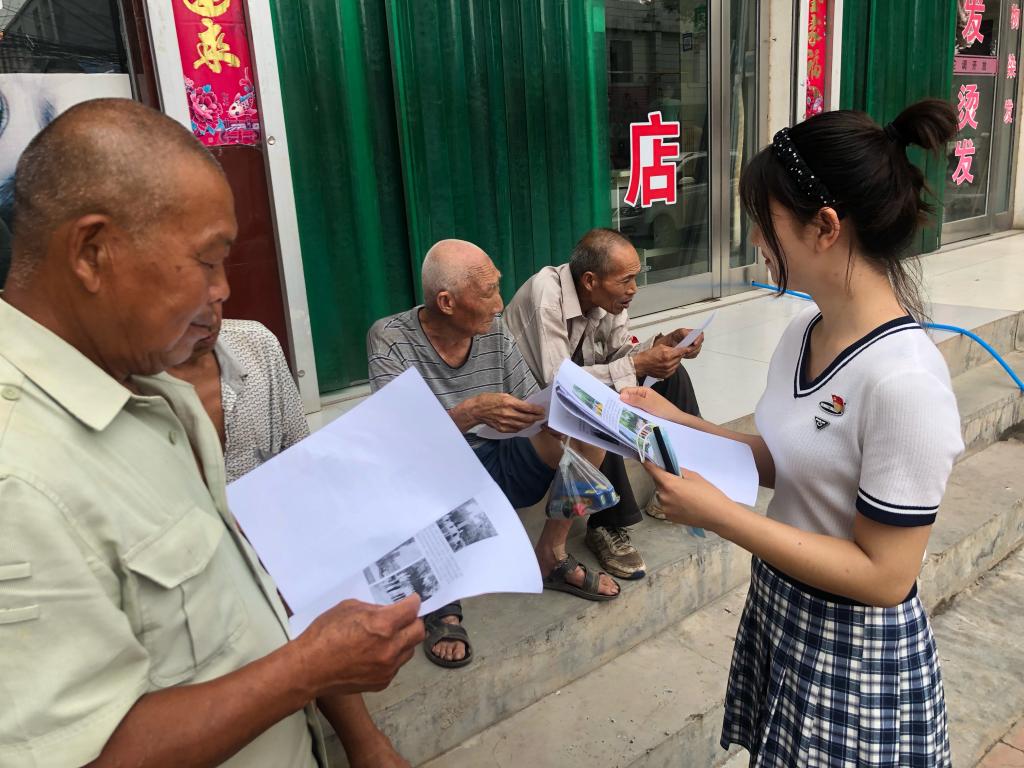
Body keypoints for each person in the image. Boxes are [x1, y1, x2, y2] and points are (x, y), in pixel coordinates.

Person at [0, 98, 423, 768]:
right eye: (208, 260)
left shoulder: (152, 393)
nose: (223, 289)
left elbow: (245, 595)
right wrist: (309, 669)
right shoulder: (19, 473)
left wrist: (357, 733)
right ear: (91, 252)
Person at [621, 100, 962, 767]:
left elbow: (885, 576)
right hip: (782, 607)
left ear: (825, 227)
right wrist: (675, 421)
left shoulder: (905, 383)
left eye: (764, 220)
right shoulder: (804, 332)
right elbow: (789, 461)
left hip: (855, 653)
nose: (755, 238)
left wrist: (721, 515)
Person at [367, 239, 619, 669]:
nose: (500, 304)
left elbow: (530, 400)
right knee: (404, 472)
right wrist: (468, 413)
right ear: (446, 302)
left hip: (497, 459)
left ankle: (551, 554)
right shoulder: (391, 339)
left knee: (586, 432)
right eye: (488, 293)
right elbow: (398, 440)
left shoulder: (494, 330)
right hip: (433, 471)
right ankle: (441, 599)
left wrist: (560, 412)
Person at [504, 227, 704, 580]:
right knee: (599, 406)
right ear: (590, 280)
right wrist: (637, 365)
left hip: (574, 387)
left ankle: (685, 482)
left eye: (636, 278)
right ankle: (607, 523)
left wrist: (661, 346)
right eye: (625, 280)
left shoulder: (610, 300)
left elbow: (620, 354)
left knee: (671, 376)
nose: (633, 289)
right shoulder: (546, 295)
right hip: (534, 407)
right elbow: (559, 381)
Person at [168, 303, 309, 483]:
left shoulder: (257, 344)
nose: (210, 309)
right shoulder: (135, 388)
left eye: (215, 294)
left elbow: (300, 452)